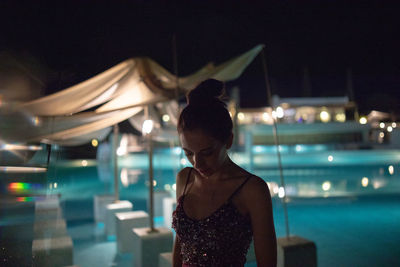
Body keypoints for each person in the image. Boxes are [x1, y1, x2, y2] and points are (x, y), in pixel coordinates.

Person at [172, 79, 277, 267]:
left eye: (207, 153)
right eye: (188, 153)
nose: (197, 163)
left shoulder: (252, 190)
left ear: (228, 140)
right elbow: (180, 247)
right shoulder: (184, 179)